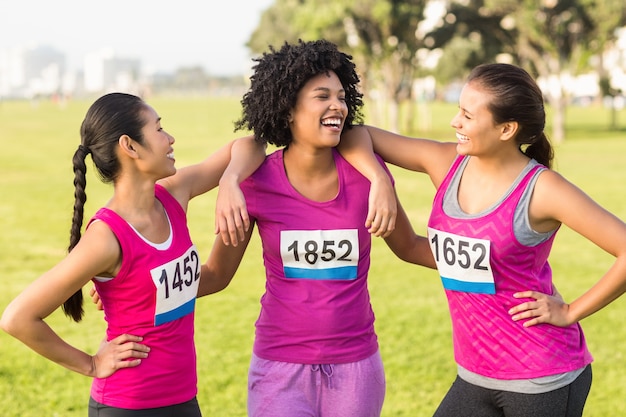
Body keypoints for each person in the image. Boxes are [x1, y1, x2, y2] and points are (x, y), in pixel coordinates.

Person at [339, 62, 626, 416]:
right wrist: (380, 181)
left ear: (506, 128)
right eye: (458, 110)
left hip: (542, 377)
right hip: (475, 375)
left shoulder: (542, 189)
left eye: (467, 115)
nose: (454, 122)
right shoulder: (444, 163)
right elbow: (354, 135)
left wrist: (569, 312)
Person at [196, 39, 435, 417]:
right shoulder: (257, 182)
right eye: (322, 96)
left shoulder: (367, 179)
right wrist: (140, 285)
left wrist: (491, 257)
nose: (337, 106)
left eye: (341, 97)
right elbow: (216, 275)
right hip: (279, 368)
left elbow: (410, 247)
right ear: (288, 108)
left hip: (357, 368)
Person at [0, 92, 264, 417]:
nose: (170, 139)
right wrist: (91, 364)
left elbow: (251, 145)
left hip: (183, 400)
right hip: (127, 406)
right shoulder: (107, 238)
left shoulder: (173, 194)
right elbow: (17, 318)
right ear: (130, 146)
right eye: (159, 129)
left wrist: (231, 181)